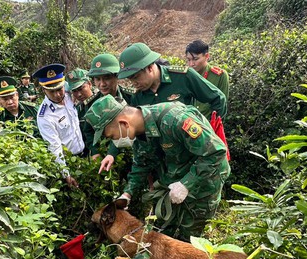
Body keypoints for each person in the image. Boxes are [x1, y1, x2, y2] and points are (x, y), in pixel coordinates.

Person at [85, 95, 230, 241]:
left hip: (204, 181)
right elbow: (142, 164)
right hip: (173, 181)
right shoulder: (138, 134)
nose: (115, 142)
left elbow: (216, 152)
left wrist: (186, 184)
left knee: (190, 237)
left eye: (112, 136)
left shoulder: (176, 119)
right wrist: (127, 193)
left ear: (124, 124)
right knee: (162, 232)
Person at [117, 42, 226, 120]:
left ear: (150, 67)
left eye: (136, 77)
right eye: (130, 79)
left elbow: (218, 99)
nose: (134, 84)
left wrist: (210, 133)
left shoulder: (183, 77)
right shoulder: (137, 95)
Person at [33, 63, 85, 187]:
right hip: (70, 162)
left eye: (59, 89)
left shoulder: (67, 92)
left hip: (85, 152)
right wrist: (66, 174)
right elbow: (54, 147)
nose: (57, 95)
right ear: (44, 90)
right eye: (52, 91)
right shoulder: (45, 116)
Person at [87, 53, 135, 173]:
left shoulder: (131, 98)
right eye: (97, 79)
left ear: (117, 77)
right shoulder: (92, 103)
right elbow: (88, 130)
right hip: (104, 158)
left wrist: (112, 153)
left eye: (107, 78)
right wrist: (95, 152)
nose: (102, 84)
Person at [185, 40, 230, 120]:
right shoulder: (186, 75)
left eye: (195, 59)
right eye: (188, 60)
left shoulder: (220, 76)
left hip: (209, 126)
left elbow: (222, 105)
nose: (191, 64)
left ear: (206, 56)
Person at [66, 68, 100, 159]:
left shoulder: (102, 102)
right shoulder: (78, 110)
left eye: (81, 89)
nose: (79, 94)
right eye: (74, 91)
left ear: (89, 84)